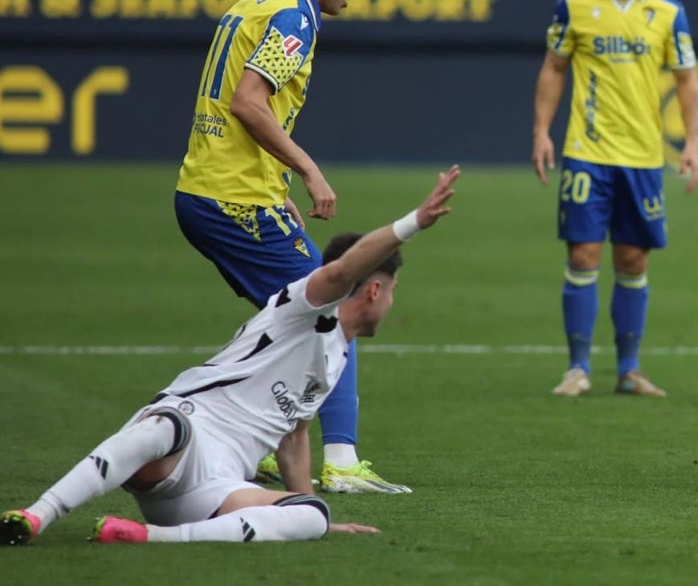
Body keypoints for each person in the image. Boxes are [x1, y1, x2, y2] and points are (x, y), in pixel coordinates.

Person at [0, 167, 460, 546]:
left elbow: (294, 438)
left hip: (215, 487)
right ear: (375, 289)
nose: (392, 302)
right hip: (185, 436)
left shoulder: (336, 355)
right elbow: (341, 269)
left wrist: (305, 509)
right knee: (161, 428)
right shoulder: (304, 307)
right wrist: (413, 222)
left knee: (314, 517)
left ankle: (147, 535)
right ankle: (37, 514)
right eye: (393, 291)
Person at [174, 0, 408, 494]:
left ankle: (259, 443)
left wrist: (274, 185)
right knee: (333, 309)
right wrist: (307, 170)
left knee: (283, 324)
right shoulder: (295, 18)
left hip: (214, 190)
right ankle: (343, 462)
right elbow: (249, 103)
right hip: (234, 200)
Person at [531, 0, 698, 399]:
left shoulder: (669, 12)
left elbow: (688, 80)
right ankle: (578, 368)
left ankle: (628, 370)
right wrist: (542, 131)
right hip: (587, 151)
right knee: (583, 253)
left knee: (633, 261)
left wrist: (691, 141)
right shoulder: (575, 4)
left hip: (644, 157)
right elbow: (553, 68)